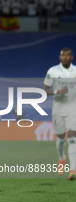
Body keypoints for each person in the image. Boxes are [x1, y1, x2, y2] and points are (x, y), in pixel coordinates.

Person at [43, 48, 76, 180]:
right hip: (58, 110)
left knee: (73, 138)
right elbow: (45, 90)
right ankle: (61, 159)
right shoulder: (53, 71)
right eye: (63, 56)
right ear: (59, 58)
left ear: (71, 58)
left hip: (73, 110)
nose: (65, 58)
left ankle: (73, 169)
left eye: (67, 56)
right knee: (61, 138)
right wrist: (58, 92)